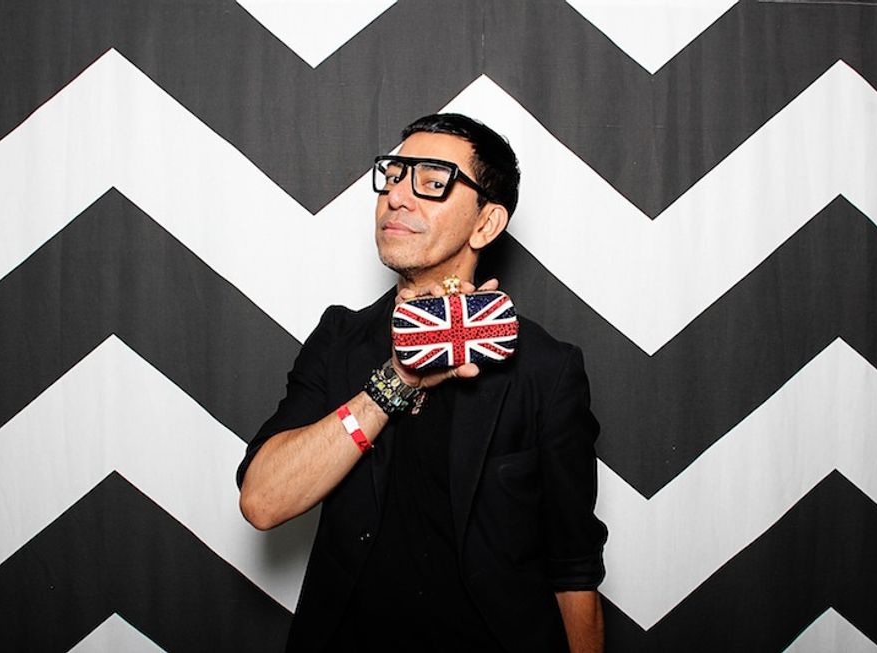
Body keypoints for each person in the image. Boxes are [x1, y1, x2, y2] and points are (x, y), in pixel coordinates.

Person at [237, 113, 607, 652]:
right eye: (392, 176)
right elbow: (263, 501)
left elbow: (573, 569)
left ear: (486, 224)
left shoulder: (545, 370)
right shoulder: (340, 340)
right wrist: (397, 378)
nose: (396, 197)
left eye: (433, 182)